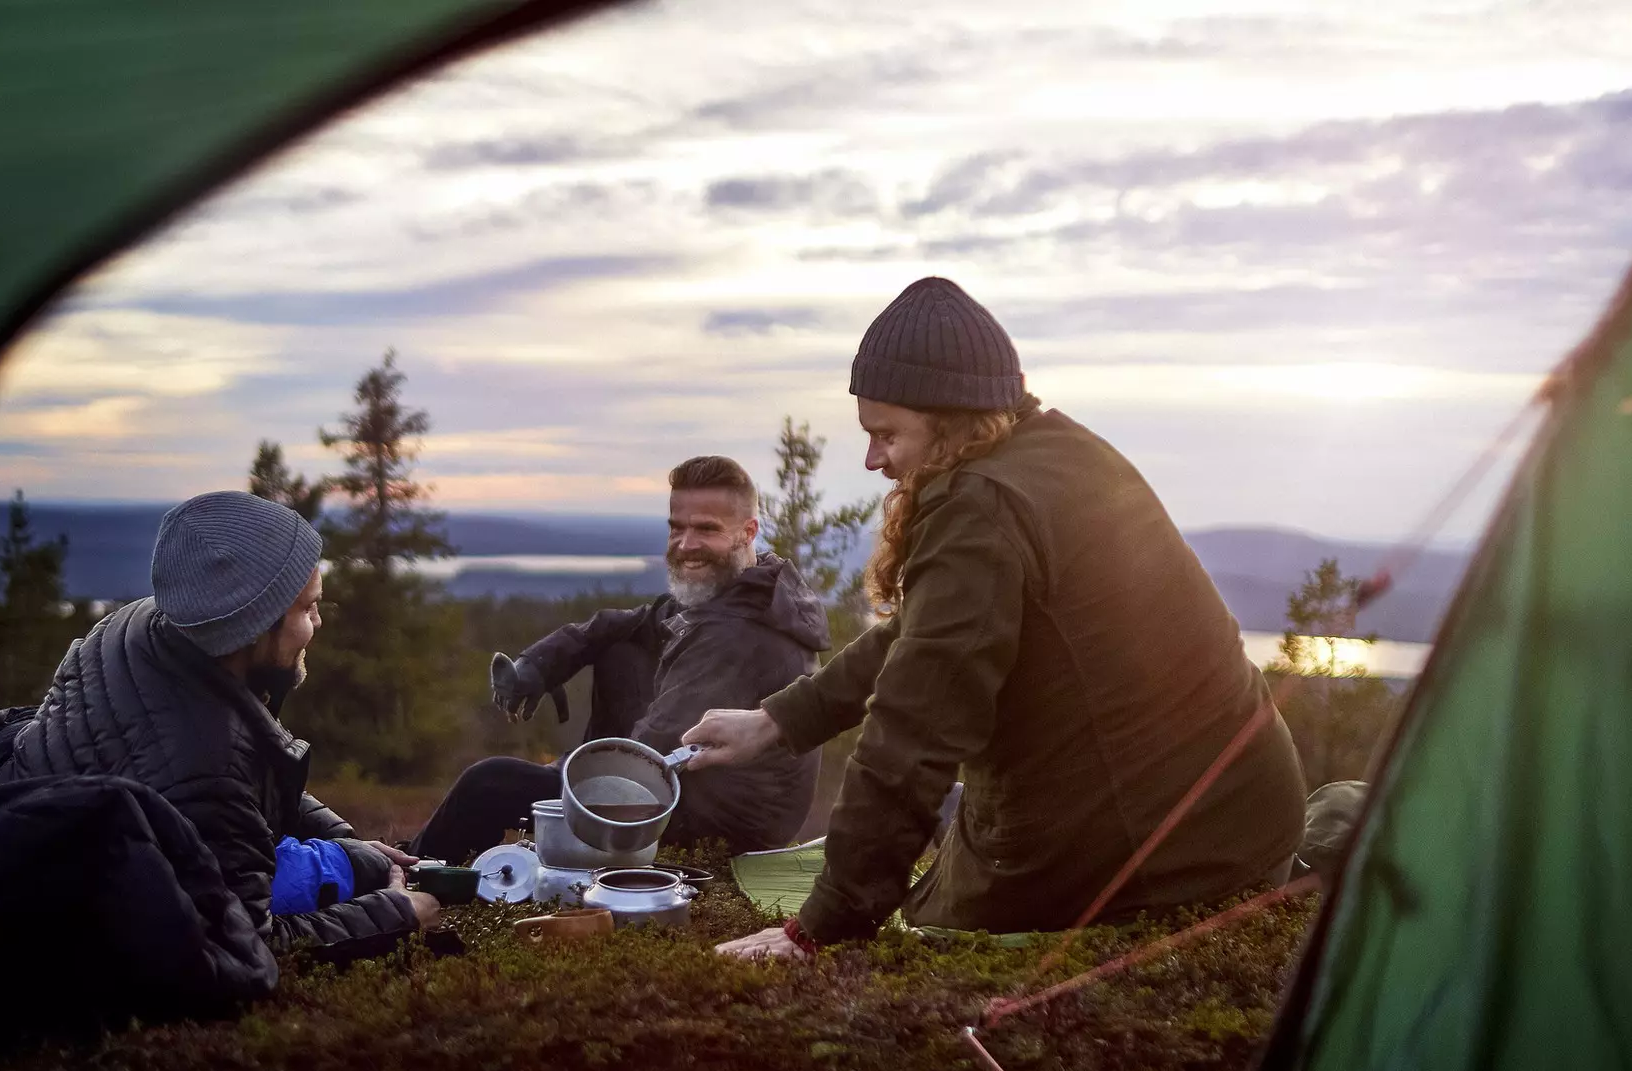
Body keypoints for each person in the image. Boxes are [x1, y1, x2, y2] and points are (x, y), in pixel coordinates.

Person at [685, 277, 1306, 958]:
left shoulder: (979, 508)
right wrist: (778, 721)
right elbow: (925, 630)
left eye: (887, 434)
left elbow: (914, 728)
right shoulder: (1058, 449)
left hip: (1160, 860)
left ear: (949, 421)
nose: (873, 459)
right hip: (1243, 813)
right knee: (960, 827)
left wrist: (819, 928)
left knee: (950, 900)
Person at [0, 490, 441, 956]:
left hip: (24, 835)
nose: (318, 623)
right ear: (253, 625)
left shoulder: (147, 622)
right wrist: (397, 913)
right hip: (52, 927)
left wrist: (347, 841)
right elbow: (247, 947)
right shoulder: (205, 761)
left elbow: (250, 783)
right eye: (308, 608)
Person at [410, 456, 830, 862]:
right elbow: (622, 624)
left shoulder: (737, 633)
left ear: (748, 531)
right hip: (698, 788)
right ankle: (427, 854)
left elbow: (649, 756)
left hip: (720, 829)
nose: (686, 544)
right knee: (620, 649)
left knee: (487, 785)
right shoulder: (741, 586)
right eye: (676, 528)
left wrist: (561, 779)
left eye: (706, 529)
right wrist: (541, 665)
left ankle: (410, 877)